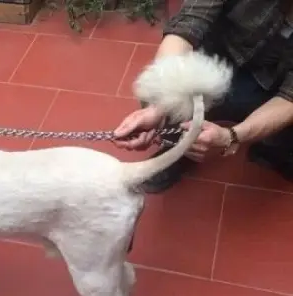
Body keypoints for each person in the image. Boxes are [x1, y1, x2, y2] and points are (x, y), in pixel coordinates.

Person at [113, 0, 293, 193]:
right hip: (215, 54)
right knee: (176, 95)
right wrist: (159, 104)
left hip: (274, 82)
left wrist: (232, 137)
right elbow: (189, 21)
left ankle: (274, 149)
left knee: (283, 136)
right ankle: (178, 152)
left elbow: (290, 97)